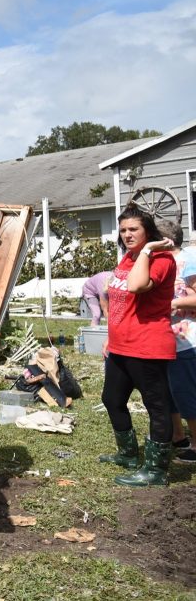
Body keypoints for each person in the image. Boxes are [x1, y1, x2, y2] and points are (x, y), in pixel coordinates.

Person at [99, 204, 176, 486]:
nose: (127, 234)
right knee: (112, 399)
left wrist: (147, 251)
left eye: (134, 229)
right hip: (121, 345)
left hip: (147, 345)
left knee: (157, 406)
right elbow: (119, 298)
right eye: (123, 230)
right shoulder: (128, 258)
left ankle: (156, 471)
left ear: (148, 231)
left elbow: (136, 287)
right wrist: (111, 335)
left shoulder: (160, 259)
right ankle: (129, 455)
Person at [153, 219, 196, 463]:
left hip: (187, 339)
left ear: (165, 240)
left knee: (186, 392)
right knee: (168, 392)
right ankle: (178, 437)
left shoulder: (188, 261)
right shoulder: (162, 263)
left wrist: (174, 303)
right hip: (165, 339)